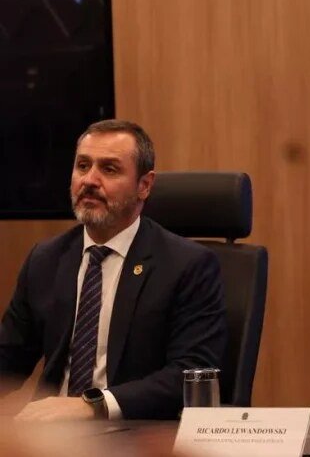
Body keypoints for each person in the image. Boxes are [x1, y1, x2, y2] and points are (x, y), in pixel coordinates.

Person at [0, 119, 227, 420]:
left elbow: (189, 375)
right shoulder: (46, 259)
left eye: (109, 169)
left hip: (135, 432)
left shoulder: (188, 265)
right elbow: (9, 356)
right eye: (83, 166)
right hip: (51, 434)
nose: (89, 180)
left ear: (144, 186)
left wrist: (94, 405)